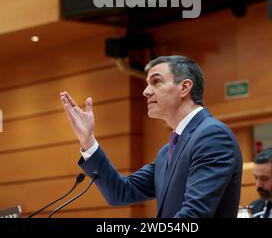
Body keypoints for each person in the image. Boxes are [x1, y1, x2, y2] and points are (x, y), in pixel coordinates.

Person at [60, 55, 242, 218]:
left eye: (156, 82)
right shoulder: (167, 151)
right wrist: (88, 141)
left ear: (184, 87)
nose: (145, 91)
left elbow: (194, 214)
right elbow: (120, 192)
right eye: (147, 83)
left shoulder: (212, 136)